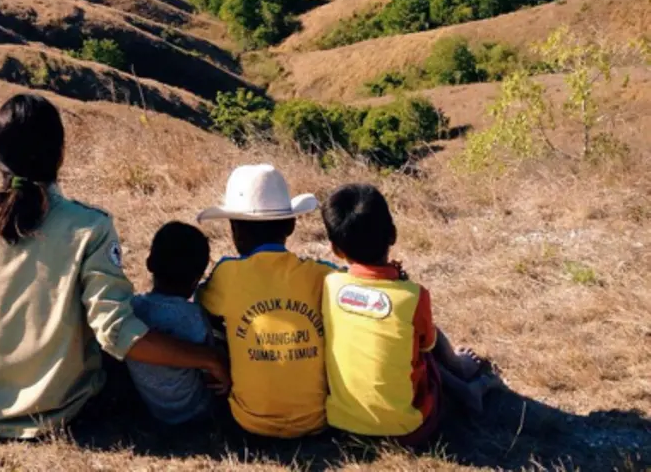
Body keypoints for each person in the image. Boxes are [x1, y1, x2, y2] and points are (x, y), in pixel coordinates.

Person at [0, 93, 230, 439]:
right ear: (60, 153)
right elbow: (116, 333)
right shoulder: (91, 227)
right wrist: (209, 357)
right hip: (71, 414)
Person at [320, 183, 500, 446]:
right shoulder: (413, 296)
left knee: (400, 340)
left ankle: (462, 376)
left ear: (335, 249)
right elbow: (427, 346)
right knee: (419, 347)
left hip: (344, 427)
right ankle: (466, 384)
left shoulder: (329, 285)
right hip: (409, 430)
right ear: (393, 235)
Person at [196, 164, 334, 439]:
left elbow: (202, 302)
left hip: (249, 420)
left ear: (235, 230)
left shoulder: (227, 274)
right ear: (291, 225)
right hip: (319, 418)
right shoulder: (323, 275)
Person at [126, 221, 215, 426]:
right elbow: (211, 375)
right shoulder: (195, 317)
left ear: (149, 263)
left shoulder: (132, 310)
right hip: (197, 410)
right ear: (197, 278)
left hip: (149, 408)